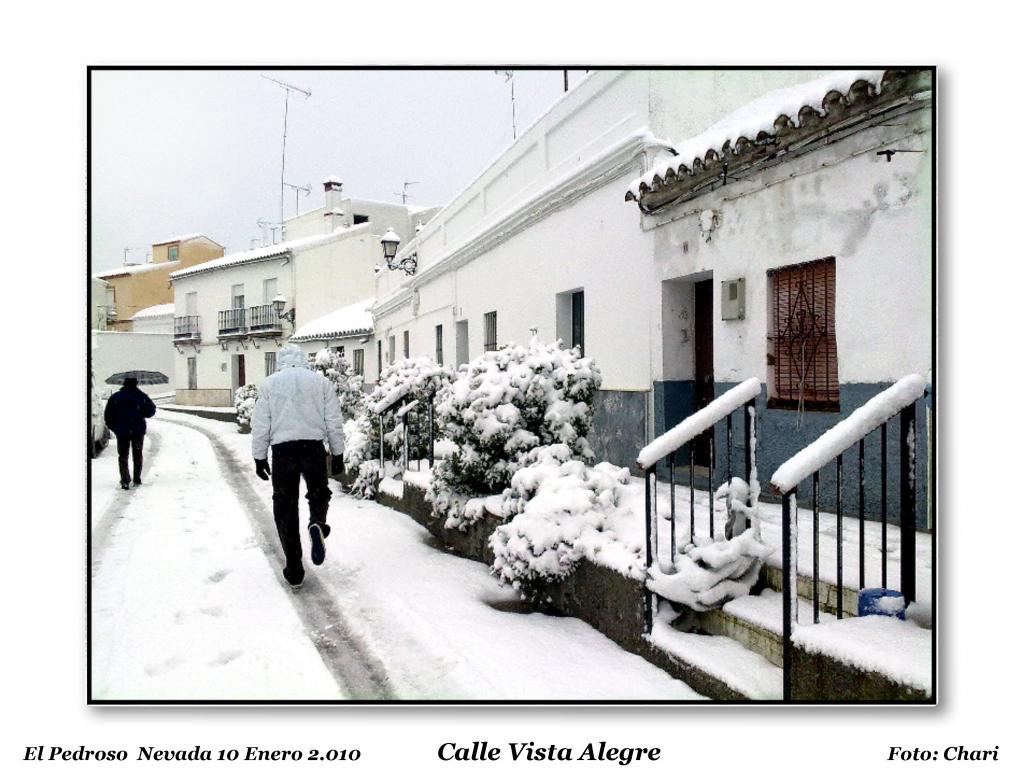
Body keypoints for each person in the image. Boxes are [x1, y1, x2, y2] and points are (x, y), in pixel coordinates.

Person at [251, 344, 345, 590]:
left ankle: (294, 567)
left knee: (285, 506)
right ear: (304, 360)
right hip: (313, 447)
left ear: (280, 361)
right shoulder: (320, 383)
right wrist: (337, 453)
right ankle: (317, 523)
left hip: (283, 451)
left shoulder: (270, 384)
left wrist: (259, 457)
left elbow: (261, 424)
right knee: (318, 492)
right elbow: (333, 420)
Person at [103, 376, 157, 490]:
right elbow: (151, 411)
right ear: (136, 384)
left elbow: (108, 416)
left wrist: (115, 428)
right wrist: (142, 412)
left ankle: (125, 480)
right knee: (137, 455)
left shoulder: (116, 397)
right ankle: (137, 478)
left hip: (122, 432)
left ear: (124, 384)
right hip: (138, 431)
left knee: (123, 456)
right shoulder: (141, 396)